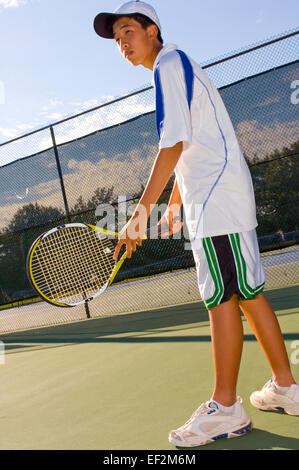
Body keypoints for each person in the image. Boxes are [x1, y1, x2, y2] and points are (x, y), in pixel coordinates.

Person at [93, 1, 299, 447]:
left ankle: (225, 408)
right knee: (247, 293)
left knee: (220, 297)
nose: (122, 42)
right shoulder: (177, 65)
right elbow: (192, 144)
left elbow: (174, 144)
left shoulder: (168, 64)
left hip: (217, 202)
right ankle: (286, 386)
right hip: (219, 197)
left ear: (152, 31)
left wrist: (140, 213)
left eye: (128, 30)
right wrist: (172, 204)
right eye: (116, 39)